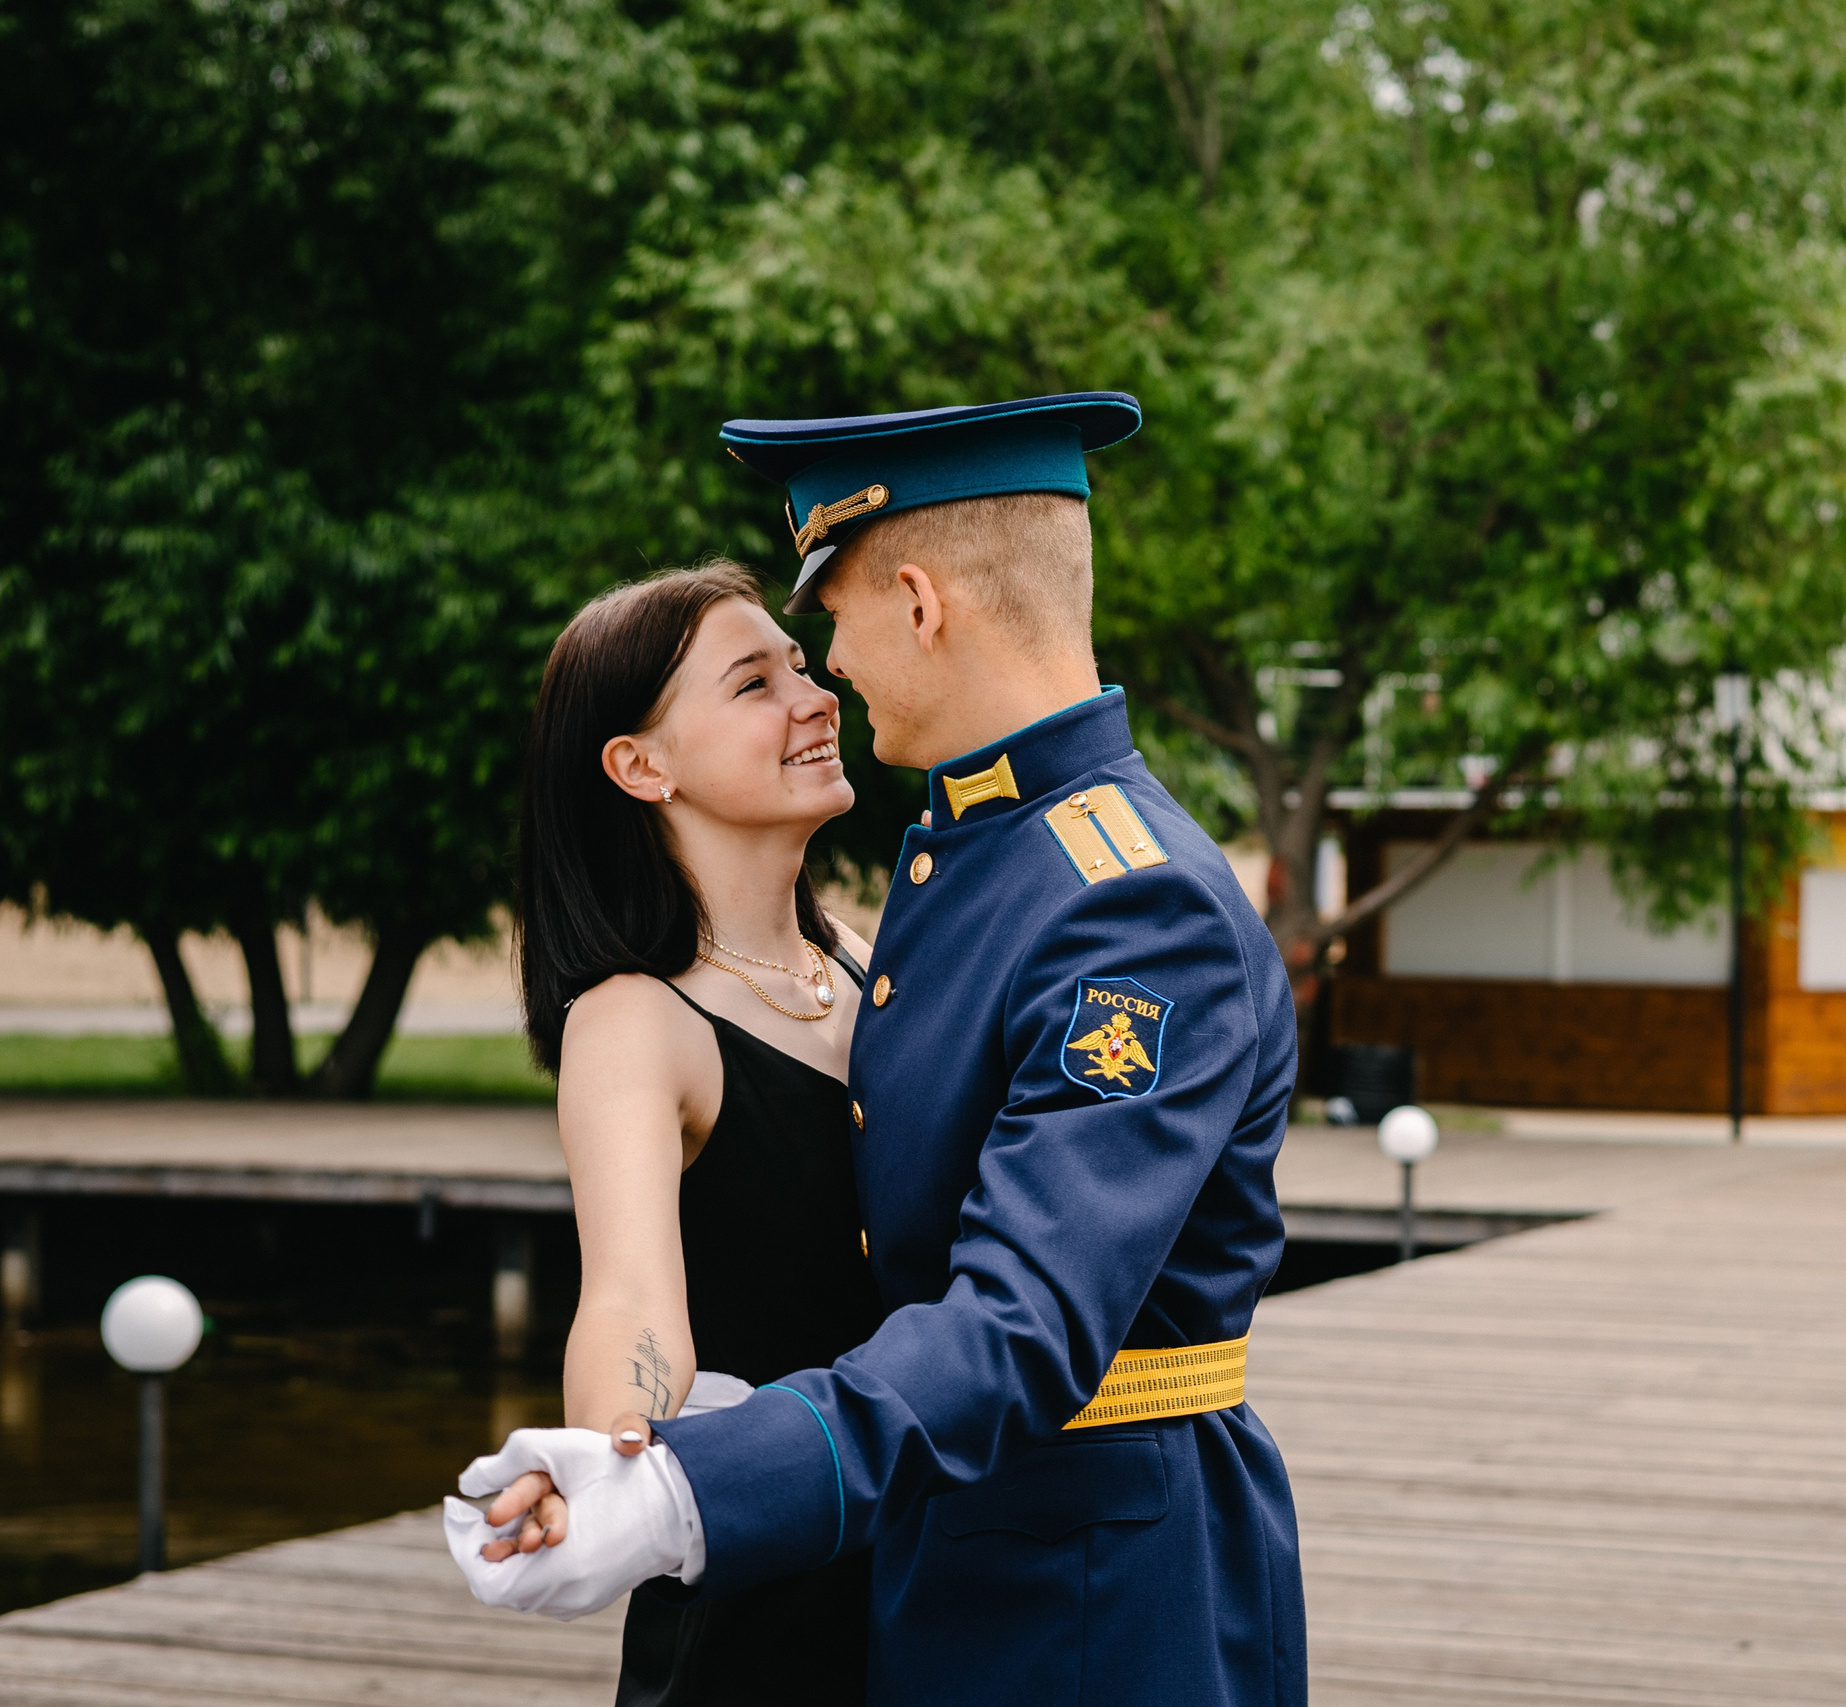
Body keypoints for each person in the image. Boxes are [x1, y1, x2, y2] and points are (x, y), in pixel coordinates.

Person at [449, 393, 1308, 1706]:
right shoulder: (970, 857)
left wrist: (682, 1487)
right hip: (931, 1547)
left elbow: (1024, 1320)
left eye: (830, 621)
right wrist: (625, 1443)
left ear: (921, 602)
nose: (827, 669)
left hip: (1087, 1588)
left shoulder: (1127, 899)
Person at [496, 559, 884, 1703]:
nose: (815, 699)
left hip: (937, 1568)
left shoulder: (870, 961)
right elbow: (626, 1297)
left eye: (804, 666)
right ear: (640, 764)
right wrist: (612, 1457)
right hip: (768, 1602)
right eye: (753, 682)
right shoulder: (634, 1021)